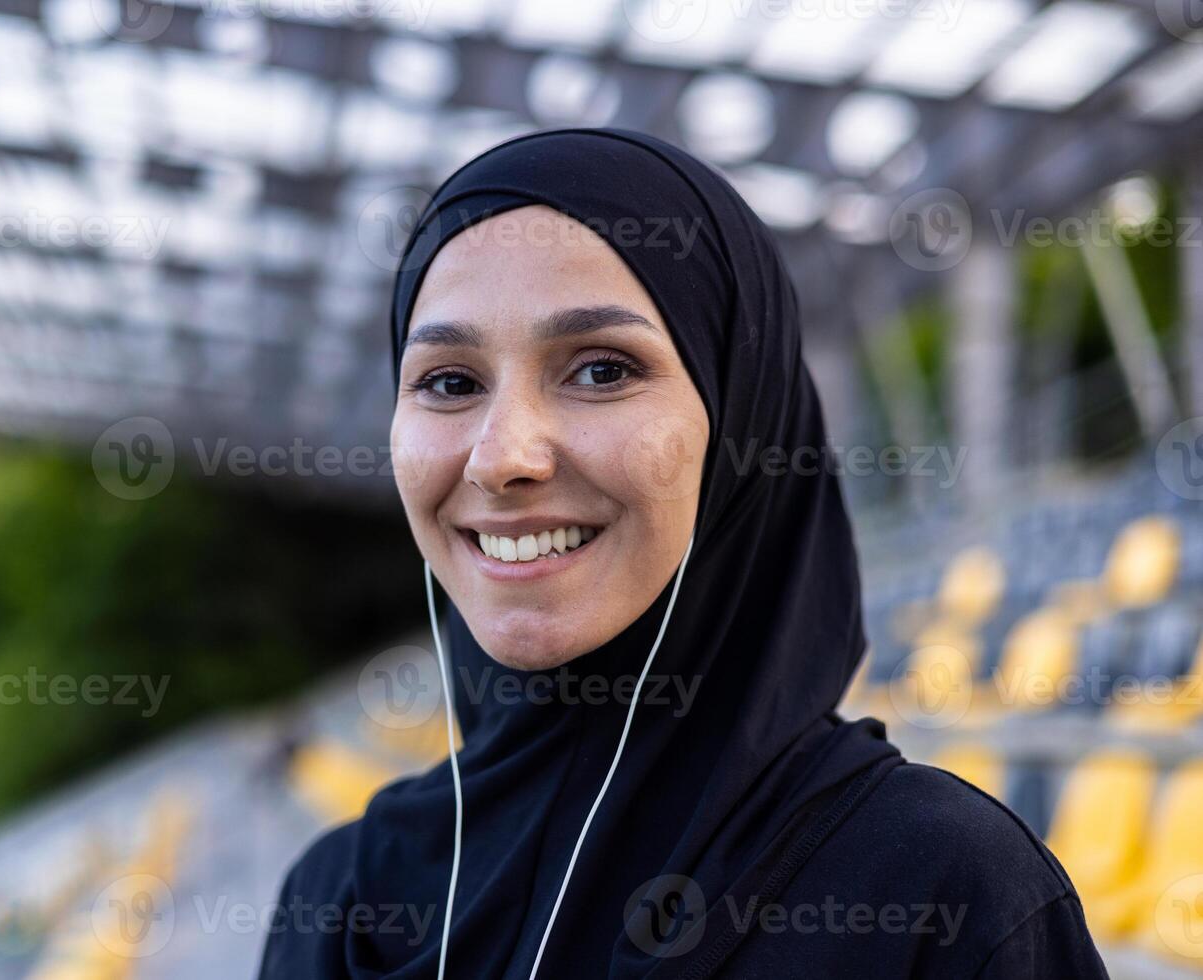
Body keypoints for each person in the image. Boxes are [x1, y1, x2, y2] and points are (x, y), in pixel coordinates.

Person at [257, 127, 1108, 979]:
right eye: (449, 381)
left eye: (600, 370)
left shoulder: (945, 896)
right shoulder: (336, 900)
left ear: (741, 420)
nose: (502, 457)